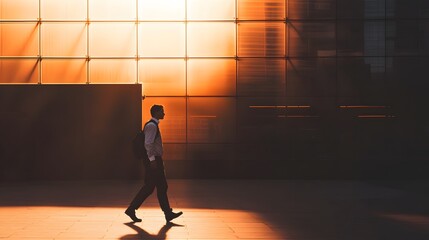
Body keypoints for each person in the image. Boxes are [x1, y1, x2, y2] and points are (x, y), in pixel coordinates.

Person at [125, 105, 183, 223]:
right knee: (155, 187)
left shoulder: (152, 125)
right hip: (153, 160)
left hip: (154, 160)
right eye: (162, 111)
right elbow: (148, 144)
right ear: (156, 112)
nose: (164, 113)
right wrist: (152, 160)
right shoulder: (151, 126)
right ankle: (133, 209)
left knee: (156, 187)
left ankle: (166, 213)